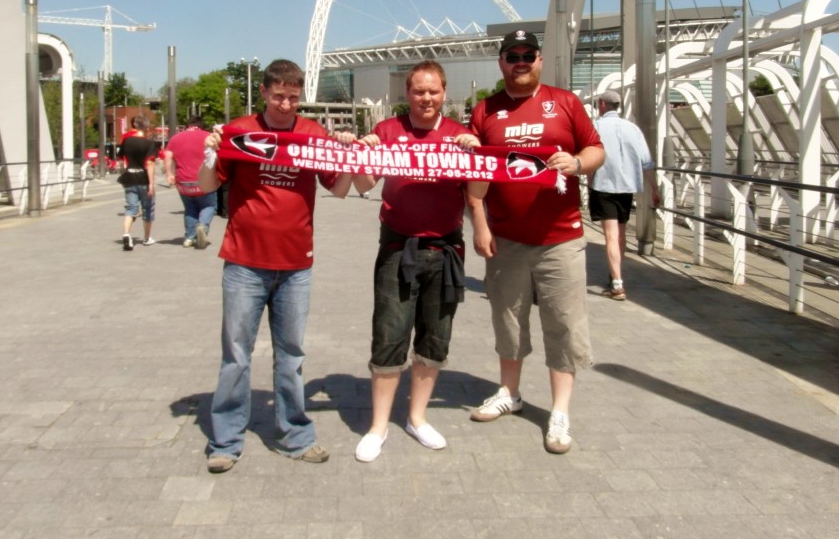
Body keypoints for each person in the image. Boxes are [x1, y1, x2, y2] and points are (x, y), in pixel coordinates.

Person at [197, 59, 353, 473]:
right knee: (236, 354)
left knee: (292, 355)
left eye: (293, 96)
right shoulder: (239, 131)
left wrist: (351, 158)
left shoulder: (312, 134)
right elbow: (208, 185)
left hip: (296, 264)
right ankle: (226, 440)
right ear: (263, 92)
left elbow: (337, 190)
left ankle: (296, 434)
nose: (285, 103)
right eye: (278, 95)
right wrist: (211, 154)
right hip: (245, 262)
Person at [466, 29, 604, 455]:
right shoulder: (485, 110)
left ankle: (559, 411)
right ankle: (510, 392)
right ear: (502, 63)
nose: (520, 61)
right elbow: (477, 173)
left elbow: (597, 149)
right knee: (508, 319)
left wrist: (578, 162)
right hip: (507, 239)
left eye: (528, 54)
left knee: (563, 323)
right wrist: (479, 223)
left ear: (539, 60)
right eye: (512, 55)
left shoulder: (564, 102)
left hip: (560, 238)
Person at [351, 60, 486, 463]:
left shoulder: (461, 136)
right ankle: (377, 426)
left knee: (434, 338)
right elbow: (361, 185)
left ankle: (417, 417)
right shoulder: (388, 132)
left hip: (446, 250)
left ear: (444, 93)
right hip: (398, 249)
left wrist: (477, 158)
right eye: (418, 91)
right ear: (406, 94)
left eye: (433, 91)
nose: (426, 98)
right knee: (390, 335)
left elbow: (477, 192)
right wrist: (364, 153)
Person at [589, 90, 660, 301]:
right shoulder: (633, 129)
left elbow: (589, 159)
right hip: (627, 188)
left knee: (610, 236)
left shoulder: (596, 127)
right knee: (620, 234)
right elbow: (646, 162)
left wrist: (588, 182)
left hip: (603, 186)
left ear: (602, 104)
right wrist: (654, 189)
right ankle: (614, 275)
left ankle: (617, 284)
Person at [164, 115, 218, 249]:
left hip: (183, 181)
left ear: (188, 125)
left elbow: (168, 156)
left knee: (190, 209)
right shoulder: (208, 136)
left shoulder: (175, 138)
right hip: (204, 180)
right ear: (201, 126)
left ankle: (189, 237)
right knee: (209, 206)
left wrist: (170, 174)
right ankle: (203, 227)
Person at [117, 116, 159, 250]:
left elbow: (121, 159)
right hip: (143, 179)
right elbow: (150, 164)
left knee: (131, 208)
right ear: (146, 127)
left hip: (129, 177)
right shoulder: (149, 143)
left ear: (134, 125)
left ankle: (126, 233)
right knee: (147, 209)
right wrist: (151, 184)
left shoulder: (127, 141)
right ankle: (147, 238)